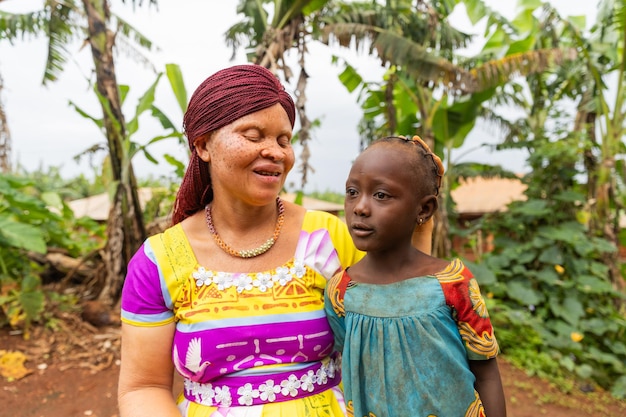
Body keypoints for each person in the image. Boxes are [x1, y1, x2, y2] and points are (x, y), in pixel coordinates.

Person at [117, 64, 433, 417]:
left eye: (284, 140)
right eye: (254, 136)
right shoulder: (158, 262)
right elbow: (144, 388)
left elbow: (405, 324)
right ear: (203, 145)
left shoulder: (330, 237)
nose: (277, 152)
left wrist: (418, 222)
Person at [324, 135, 507, 417]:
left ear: (424, 209)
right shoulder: (342, 292)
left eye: (381, 195)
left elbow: (487, 375)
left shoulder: (452, 283)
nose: (360, 207)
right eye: (352, 192)